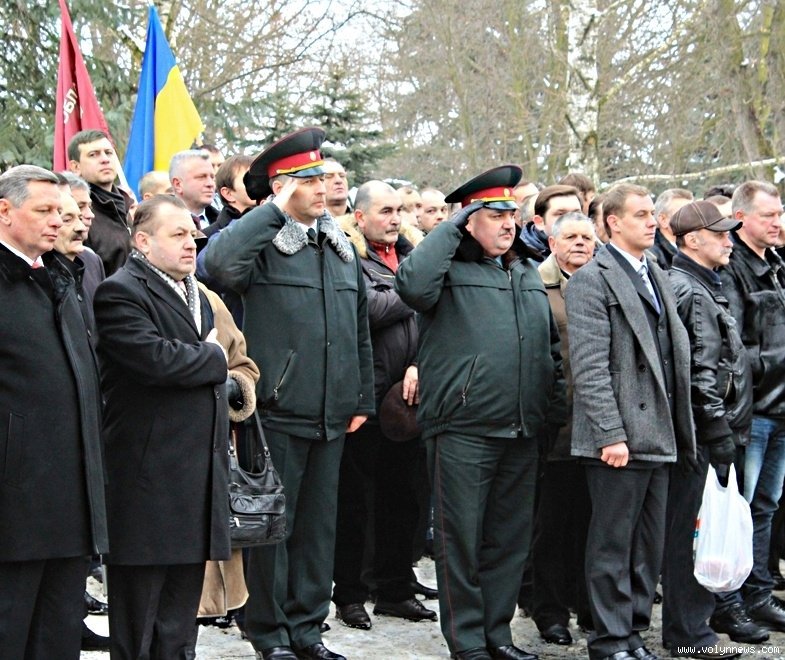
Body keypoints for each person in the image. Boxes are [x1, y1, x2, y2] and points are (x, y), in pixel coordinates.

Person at [202, 127, 375, 660]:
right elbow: (217, 266)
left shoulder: (339, 246)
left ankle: (307, 629)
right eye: (308, 180)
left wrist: (361, 397)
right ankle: (270, 633)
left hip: (332, 411)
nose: (322, 188)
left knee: (318, 531)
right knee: (272, 529)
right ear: (280, 188)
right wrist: (273, 211)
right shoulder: (263, 244)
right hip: (277, 410)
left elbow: (359, 329)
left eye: (323, 178)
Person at [396, 165, 566, 660]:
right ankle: (468, 640)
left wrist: (550, 411)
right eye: (495, 215)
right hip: (463, 428)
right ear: (469, 221)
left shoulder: (525, 270)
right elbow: (412, 287)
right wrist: (452, 226)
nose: (508, 223)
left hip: (522, 428)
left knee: (508, 542)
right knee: (461, 542)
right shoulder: (446, 268)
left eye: (511, 214)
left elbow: (549, 350)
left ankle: (498, 634)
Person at [93, 195, 231, 659]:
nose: (192, 243)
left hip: (193, 480)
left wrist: (206, 361)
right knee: (140, 620)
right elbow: (155, 360)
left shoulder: (196, 292)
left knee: (178, 621)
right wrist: (212, 358)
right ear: (143, 242)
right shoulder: (119, 292)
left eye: (193, 234)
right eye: (178, 235)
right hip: (146, 484)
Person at [566, 182, 696, 660]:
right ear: (613, 222)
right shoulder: (591, 279)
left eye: (651, 214)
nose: (651, 222)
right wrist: (610, 434)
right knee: (612, 545)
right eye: (640, 214)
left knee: (647, 546)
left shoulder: (656, 271)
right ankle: (609, 639)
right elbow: (589, 367)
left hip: (658, 431)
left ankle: (633, 633)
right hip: (618, 436)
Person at [0, 165, 107, 659]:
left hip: (70, 494)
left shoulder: (60, 275)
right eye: (43, 211)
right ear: (5, 211)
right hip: (15, 500)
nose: (57, 222)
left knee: (58, 633)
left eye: (60, 213)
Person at [332, 181, 436, 630]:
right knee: (356, 504)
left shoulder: (412, 255)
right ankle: (350, 594)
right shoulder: (346, 257)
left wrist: (418, 364)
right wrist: (415, 290)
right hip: (366, 397)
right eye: (385, 211)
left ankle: (395, 589)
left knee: (403, 499)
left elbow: (435, 315)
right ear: (360, 217)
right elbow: (367, 309)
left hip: (409, 398)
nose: (395, 219)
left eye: (398, 210)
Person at [663, 200, 750, 660]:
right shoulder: (692, 290)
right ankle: (689, 635)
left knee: (692, 533)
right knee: (691, 536)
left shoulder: (701, 284)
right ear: (692, 240)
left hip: (702, 430)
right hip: (698, 434)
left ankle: (690, 629)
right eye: (719, 234)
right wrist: (717, 431)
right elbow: (701, 371)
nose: (728, 241)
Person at [714, 180, 785, 635]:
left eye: (780, 214)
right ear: (741, 218)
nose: (778, 222)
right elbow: (734, 345)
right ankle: (728, 602)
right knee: (736, 509)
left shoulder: (777, 263)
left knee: (765, 506)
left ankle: (758, 594)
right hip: (752, 409)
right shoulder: (731, 266)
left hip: (781, 408)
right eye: (768, 215)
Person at [530, 212, 596, 646]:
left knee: (591, 526)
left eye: (587, 237)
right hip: (555, 427)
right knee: (550, 527)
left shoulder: (605, 281)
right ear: (552, 242)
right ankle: (550, 612)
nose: (580, 243)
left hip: (599, 429)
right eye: (570, 236)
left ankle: (588, 606)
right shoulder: (537, 285)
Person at [67, 129, 132, 275]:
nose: (105, 159)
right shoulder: (77, 214)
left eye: (108, 153)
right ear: (76, 167)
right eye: (93, 155)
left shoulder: (127, 205)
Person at [520, 185, 582, 261]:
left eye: (576, 214)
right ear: (539, 222)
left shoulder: (590, 251)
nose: (572, 220)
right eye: (561, 214)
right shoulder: (521, 260)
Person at [170, 149, 219, 230]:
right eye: (201, 177)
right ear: (178, 184)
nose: (210, 184)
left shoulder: (226, 224)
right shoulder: (158, 223)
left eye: (212, 177)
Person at [649, 188, 693, 270]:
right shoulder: (653, 256)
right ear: (663, 220)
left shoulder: (699, 246)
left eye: (694, 213)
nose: (693, 218)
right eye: (685, 213)